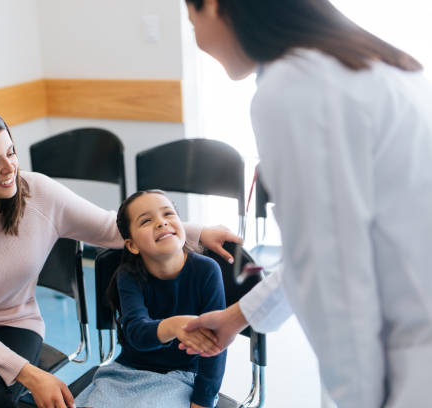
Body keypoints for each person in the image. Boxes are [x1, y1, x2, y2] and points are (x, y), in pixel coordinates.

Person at [0, 102, 240, 408]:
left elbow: (112, 227)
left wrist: (195, 232)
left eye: (11, 152)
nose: (10, 168)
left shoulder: (39, 194)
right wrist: (31, 375)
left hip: (11, 320)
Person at [179, 1, 432, 407]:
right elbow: (322, 251)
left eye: (192, 23)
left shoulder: (294, 88)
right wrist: (235, 317)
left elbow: (332, 276)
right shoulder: (371, 62)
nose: (199, 41)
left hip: (405, 365)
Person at [75, 190, 227, 408]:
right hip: (126, 372)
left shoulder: (207, 270)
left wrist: (203, 400)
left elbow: (216, 345)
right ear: (132, 245)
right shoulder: (128, 275)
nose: (161, 223)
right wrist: (173, 326)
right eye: (146, 220)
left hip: (181, 376)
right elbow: (137, 333)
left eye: (168, 214)